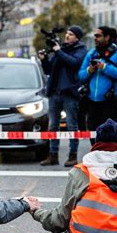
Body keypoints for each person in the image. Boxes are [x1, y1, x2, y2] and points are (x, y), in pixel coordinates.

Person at [38, 25, 87, 167]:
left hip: (70, 94)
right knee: (53, 126)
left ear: (77, 37)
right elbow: (49, 70)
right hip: (54, 93)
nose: (67, 36)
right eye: (67, 33)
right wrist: (44, 59)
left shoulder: (80, 50)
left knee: (72, 126)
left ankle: (73, 156)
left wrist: (58, 51)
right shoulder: (61, 49)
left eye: (71, 34)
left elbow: (74, 63)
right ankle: (52, 155)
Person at [78, 26, 117, 141]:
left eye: (98, 35)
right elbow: (80, 75)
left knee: (111, 138)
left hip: (111, 102)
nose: (95, 38)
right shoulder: (91, 54)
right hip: (92, 102)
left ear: (107, 37)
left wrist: (105, 67)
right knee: (93, 137)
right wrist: (89, 70)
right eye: (94, 35)